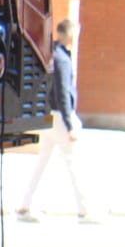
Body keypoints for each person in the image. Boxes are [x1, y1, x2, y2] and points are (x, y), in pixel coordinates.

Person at [18, 18, 92, 222]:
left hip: (49, 115)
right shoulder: (62, 58)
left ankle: (26, 205)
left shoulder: (54, 54)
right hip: (59, 116)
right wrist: (70, 125)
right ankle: (85, 209)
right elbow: (62, 92)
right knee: (73, 161)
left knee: (42, 162)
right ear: (69, 35)